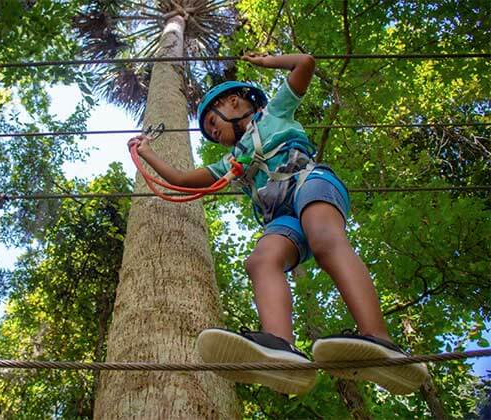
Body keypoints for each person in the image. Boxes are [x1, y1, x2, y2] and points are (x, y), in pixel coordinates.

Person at [127, 53, 428, 395]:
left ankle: (379, 339)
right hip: (282, 217)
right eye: (210, 131)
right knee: (260, 261)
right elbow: (183, 180)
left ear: (235, 101)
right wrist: (146, 153)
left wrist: (268, 62)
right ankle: (280, 346)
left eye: (214, 121)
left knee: (324, 239)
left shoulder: (275, 113)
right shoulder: (230, 161)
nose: (213, 131)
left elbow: (306, 64)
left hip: (309, 182)